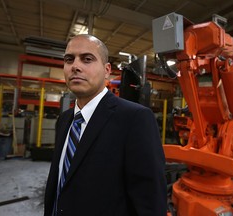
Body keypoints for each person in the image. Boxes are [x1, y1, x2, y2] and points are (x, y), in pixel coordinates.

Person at [44, 34, 167, 216]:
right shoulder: (64, 120)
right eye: (69, 59)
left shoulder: (135, 118)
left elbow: (151, 201)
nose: (75, 66)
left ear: (107, 70)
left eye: (87, 59)